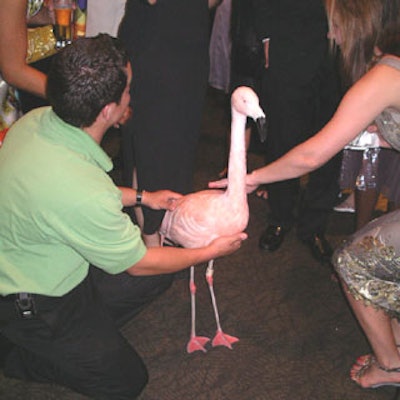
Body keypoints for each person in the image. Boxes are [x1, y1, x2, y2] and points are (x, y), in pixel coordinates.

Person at [0, 34, 247, 399]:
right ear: (107, 112)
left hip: (50, 257)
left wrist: (144, 198)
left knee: (160, 274)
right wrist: (209, 252)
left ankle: (81, 335)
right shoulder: (84, 192)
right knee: (125, 380)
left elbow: (72, 194)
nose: (132, 94)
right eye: (128, 89)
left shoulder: (37, 121)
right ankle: (17, 354)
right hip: (33, 301)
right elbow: (135, 259)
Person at [211, 0, 400, 390]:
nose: (330, 35)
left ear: (353, 28)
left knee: (352, 260)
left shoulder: (383, 76)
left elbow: (313, 155)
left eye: (334, 28)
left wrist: (252, 177)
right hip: (289, 61)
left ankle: (391, 368)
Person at [251, 0, 343, 263]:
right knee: (283, 136)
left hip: (336, 44)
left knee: (332, 139)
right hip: (287, 38)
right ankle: (280, 217)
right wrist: (266, 35)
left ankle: (315, 225)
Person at [118, 0, 214, 247]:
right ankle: (151, 236)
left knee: (180, 142)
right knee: (150, 142)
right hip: (157, 42)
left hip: (189, 42)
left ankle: (168, 229)